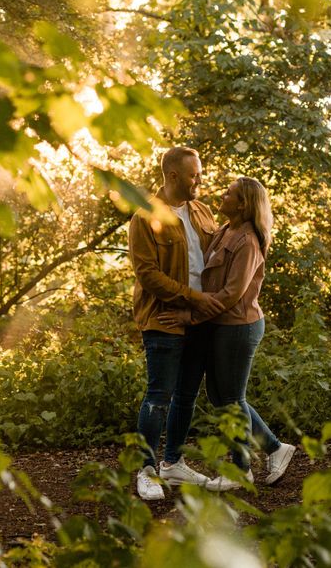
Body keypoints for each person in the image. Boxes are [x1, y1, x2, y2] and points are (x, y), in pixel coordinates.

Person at [161, 177, 295, 491]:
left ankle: (241, 470)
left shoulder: (248, 241)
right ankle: (276, 448)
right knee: (222, 397)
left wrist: (190, 314)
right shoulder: (224, 230)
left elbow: (231, 294)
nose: (223, 195)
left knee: (232, 399)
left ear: (243, 203)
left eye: (229, 193)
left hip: (239, 327)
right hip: (222, 326)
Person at [127, 146, 224, 500]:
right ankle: (147, 470)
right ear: (172, 176)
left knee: (186, 396)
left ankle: (173, 463)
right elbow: (148, 275)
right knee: (159, 396)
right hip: (164, 320)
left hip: (199, 321)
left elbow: (215, 257)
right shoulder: (144, 217)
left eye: (199, 172)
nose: (200, 179)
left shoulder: (201, 211)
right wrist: (193, 297)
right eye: (194, 174)